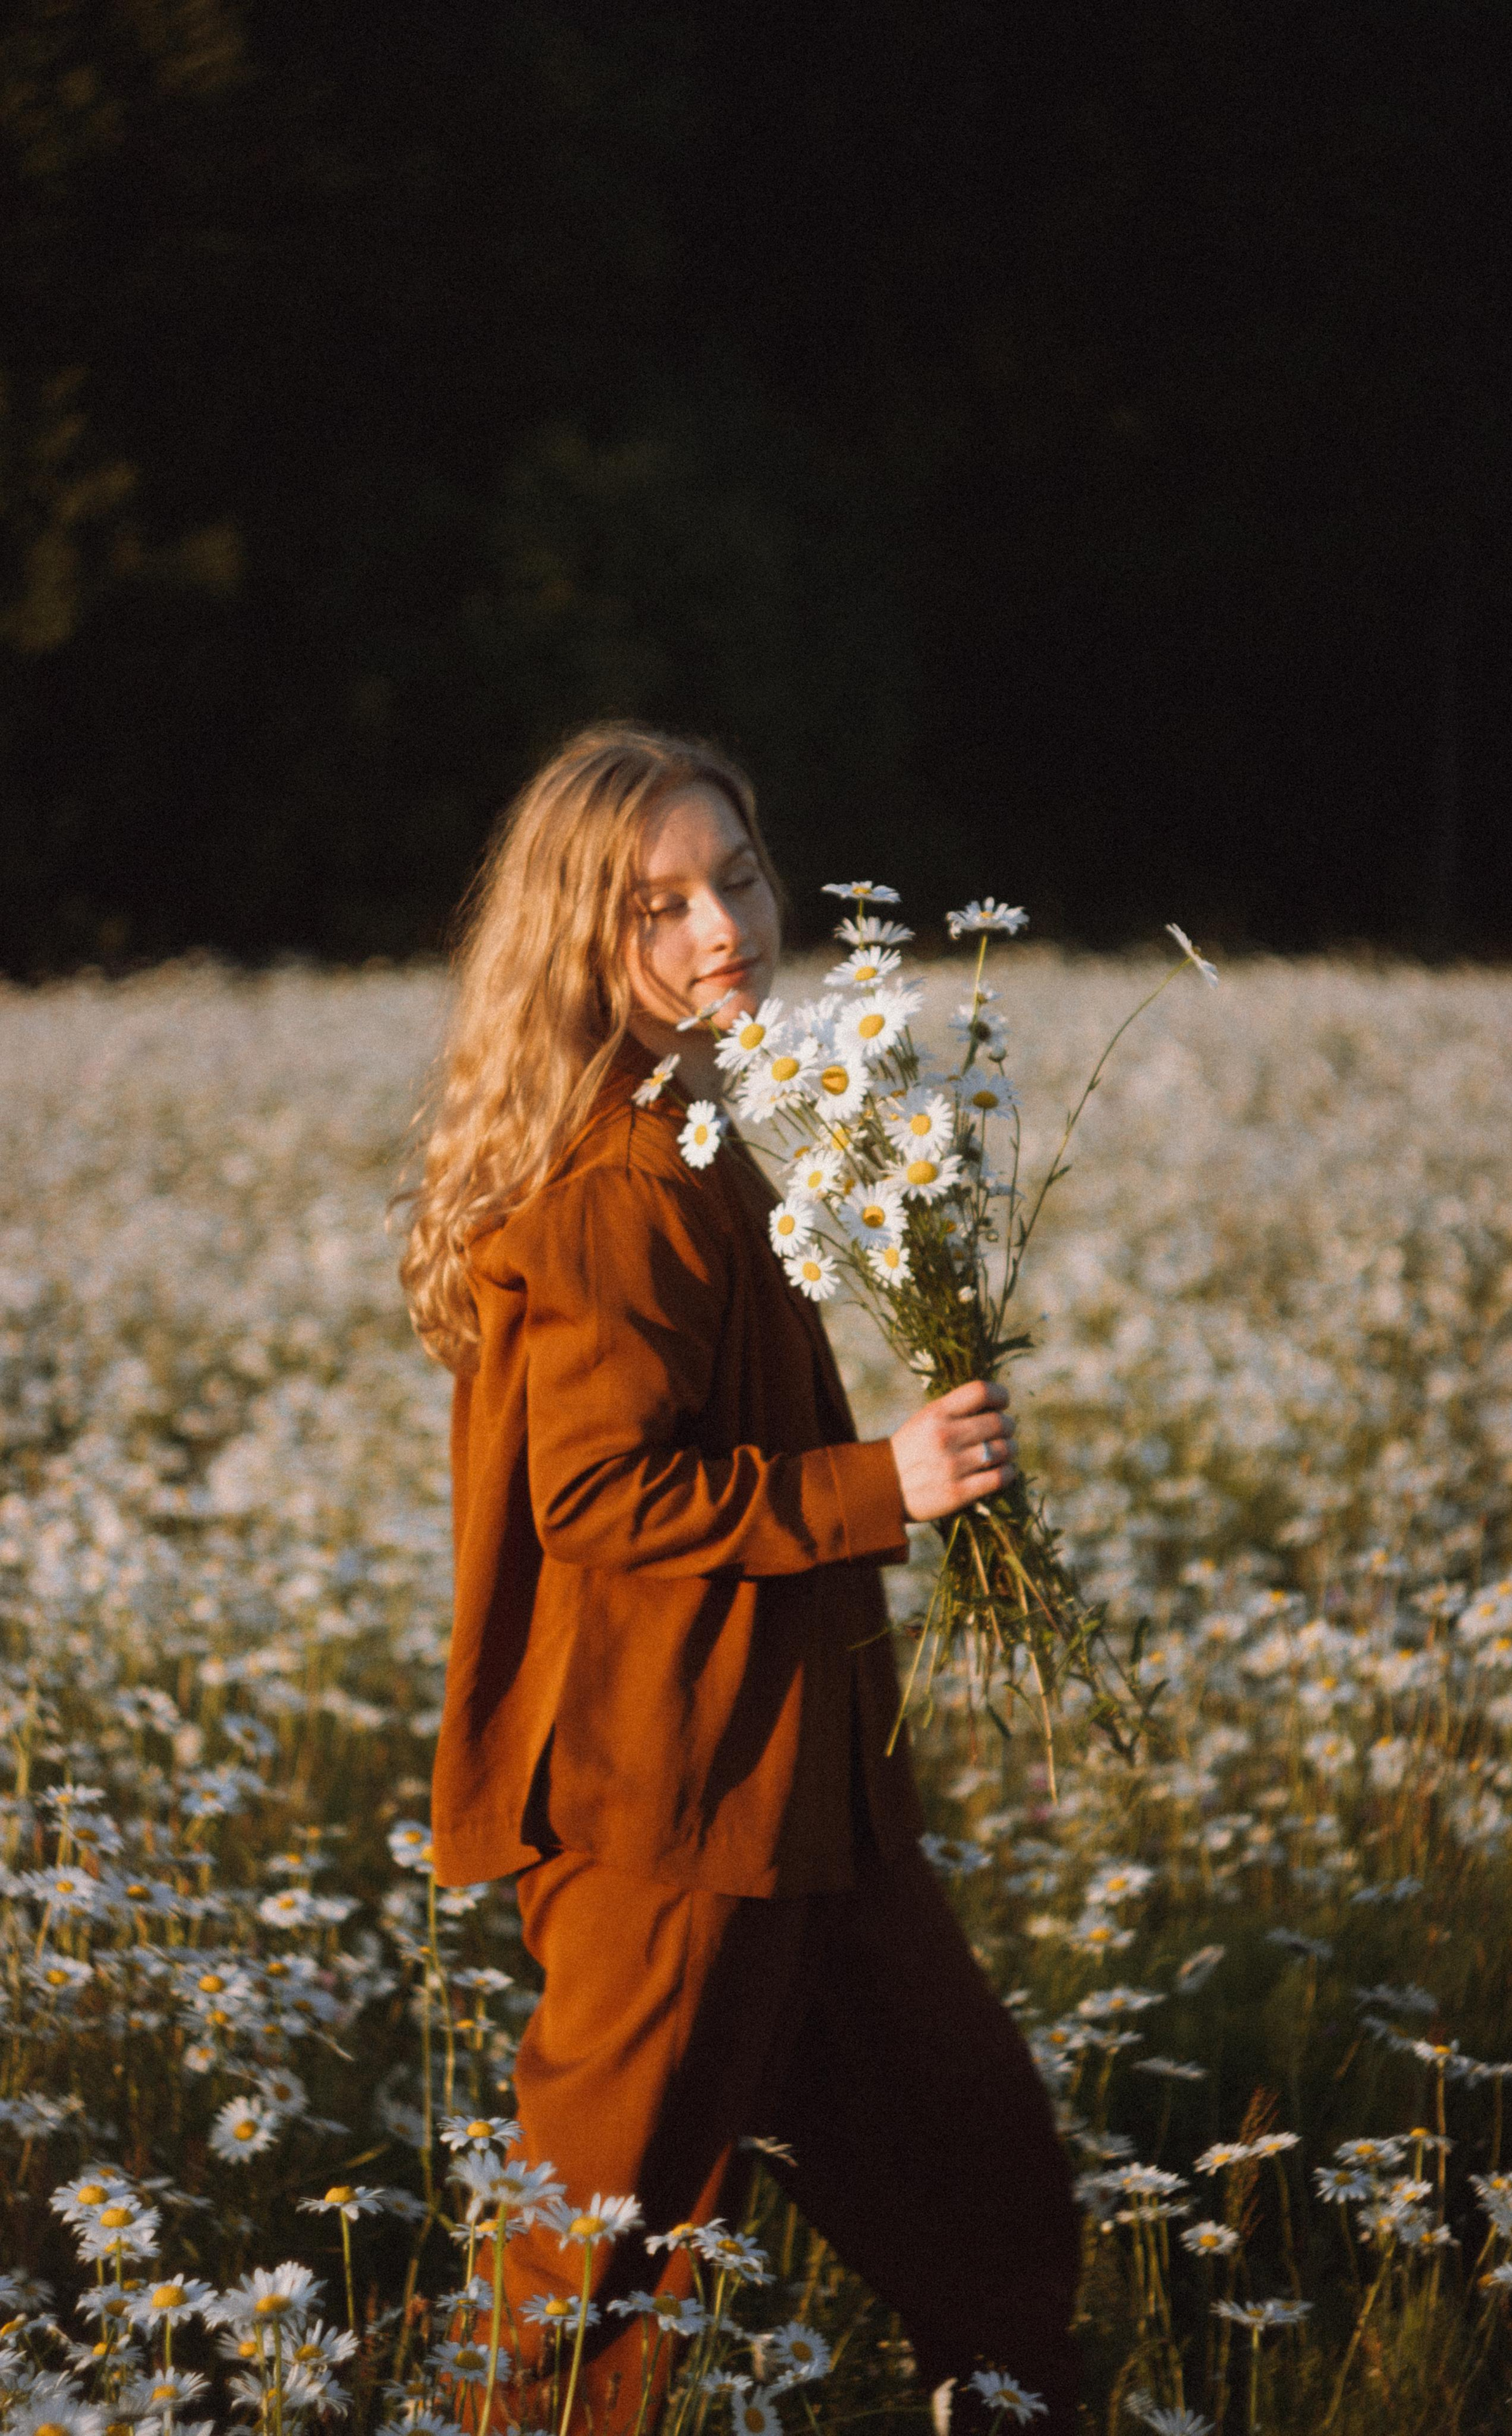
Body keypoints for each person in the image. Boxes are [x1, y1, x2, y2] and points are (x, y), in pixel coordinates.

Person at [401, 724, 1083, 2432]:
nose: (721, 926)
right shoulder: (620, 1186)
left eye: (738, 875)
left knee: (986, 2189)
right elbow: (599, 1495)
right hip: (672, 1809)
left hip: (799, 1792)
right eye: (658, 904)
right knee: (586, 2291)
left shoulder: (684, 1131)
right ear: (580, 945)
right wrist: (889, 1482)